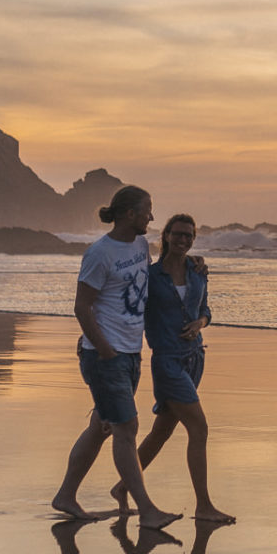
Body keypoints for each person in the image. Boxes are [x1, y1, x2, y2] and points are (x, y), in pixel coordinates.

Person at [52, 186, 180, 529]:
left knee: (101, 426)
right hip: (105, 355)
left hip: (130, 352)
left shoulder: (140, 245)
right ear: (129, 214)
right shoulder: (99, 253)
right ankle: (148, 510)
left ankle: (66, 495)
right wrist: (106, 351)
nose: (152, 217)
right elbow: (82, 307)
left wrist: (190, 266)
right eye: (147, 211)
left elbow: (152, 280)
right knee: (127, 428)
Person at [112, 213, 234, 523]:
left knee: (161, 432)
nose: (183, 240)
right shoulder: (150, 276)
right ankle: (204, 505)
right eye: (177, 234)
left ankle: (122, 486)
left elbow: (206, 310)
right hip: (166, 361)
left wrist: (200, 322)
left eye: (188, 235)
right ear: (165, 236)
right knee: (199, 428)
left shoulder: (198, 273)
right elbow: (126, 309)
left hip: (195, 359)